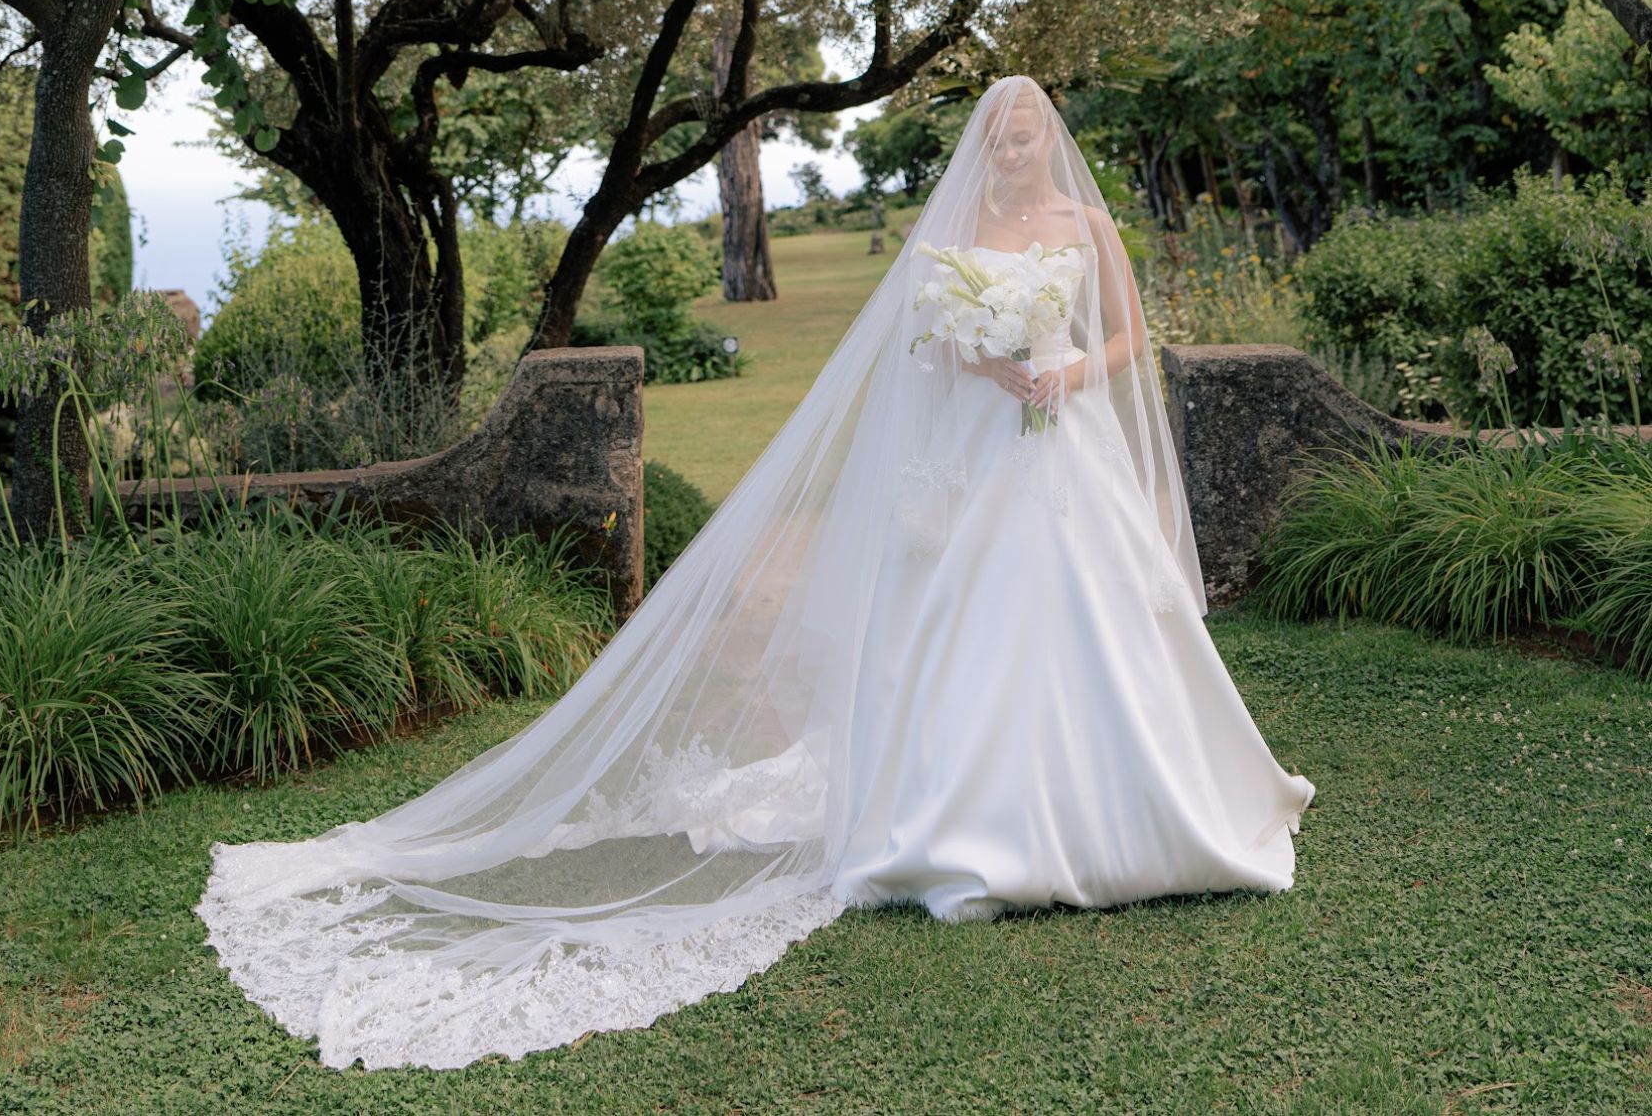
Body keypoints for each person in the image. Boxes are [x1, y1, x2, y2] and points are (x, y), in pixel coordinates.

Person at [198, 78, 1313, 1071]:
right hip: (983, 448)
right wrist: (992, 359)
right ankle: (962, 820)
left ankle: (1129, 809)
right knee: (967, 624)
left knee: (1090, 617)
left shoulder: (1083, 221)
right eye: (1002, 138)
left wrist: (1065, 367)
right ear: (987, 144)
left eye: (1028, 136)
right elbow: (928, 344)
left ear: (1050, 139)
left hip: (1065, 449)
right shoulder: (958, 221)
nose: (1016, 152)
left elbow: (1128, 334)